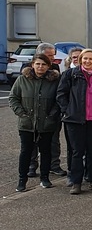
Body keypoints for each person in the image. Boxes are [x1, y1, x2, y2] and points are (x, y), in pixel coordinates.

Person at [56, 49, 92, 194]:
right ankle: (76, 182)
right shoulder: (70, 74)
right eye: (85, 59)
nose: (88, 61)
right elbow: (61, 94)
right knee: (77, 152)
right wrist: (67, 110)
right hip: (75, 120)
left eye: (91, 59)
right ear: (80, 60)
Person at [10, 54, 61, 192]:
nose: (40, 67)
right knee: (26, 151)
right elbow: (13, 98)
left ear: (48, 66)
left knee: (46, 151)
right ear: (32, 65)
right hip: (27, 124)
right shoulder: (22, 80)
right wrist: (21, 113)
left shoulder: (54, 81)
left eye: (44, 64)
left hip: (47, 123)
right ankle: (22, 180)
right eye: (38, 64)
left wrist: (52, 116)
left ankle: (45, 178)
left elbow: (59, 100)